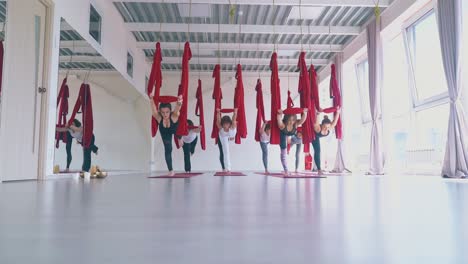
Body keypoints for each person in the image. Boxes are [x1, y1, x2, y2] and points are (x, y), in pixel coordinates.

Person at [150, 95, 183, 176]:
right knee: (168, 149)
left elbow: (177, 109)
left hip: (176, 131)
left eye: (167, 112)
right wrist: (151, 100)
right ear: (160, 112)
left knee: (179, 138)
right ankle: (171, 170)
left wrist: (179, 102)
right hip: (165, 133)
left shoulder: (174, 115)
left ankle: (179, 139)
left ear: (170, 111)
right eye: (163, 112)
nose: (165, 114)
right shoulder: (159, 118)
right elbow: (154, 112)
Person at [277, 109, 308, 175]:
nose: (291, 122)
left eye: (293, 120)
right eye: (290, 120)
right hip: (283, 137)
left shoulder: (295, 124)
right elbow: (279, 120)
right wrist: (279, 114)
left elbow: (302, 121)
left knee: (298, 151)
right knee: (284, 154)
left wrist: (304, 113)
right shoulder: (282, 125)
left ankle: (296, 168)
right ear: (286, 119)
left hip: (293, 137)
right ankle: (286, 170)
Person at [312, 109, 341, 175]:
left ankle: (319, 169)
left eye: (328, 127)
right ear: (321, 125)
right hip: (313, 136)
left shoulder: (329, 127)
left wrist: (338, 112)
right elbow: (316, 122)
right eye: (324, 127)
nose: (326, 129)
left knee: (318, 151)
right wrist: (318, 114)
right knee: (317, 151)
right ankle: (319, 170)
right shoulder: (318, 128)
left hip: (318, 136)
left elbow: (335, 122)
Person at [217, 108, 238, 173]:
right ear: (222, 124)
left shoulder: (232, 126)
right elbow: (218, 120)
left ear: (230, 124)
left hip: (231, 134)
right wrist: (218, 113)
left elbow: (234, 119)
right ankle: (228, 168)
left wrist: (235, 112)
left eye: (227, 124)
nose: (226, 126)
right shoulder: (221, 127)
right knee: (226, 152)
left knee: (234, 122)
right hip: (223, 136)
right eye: (224, 124)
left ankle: (227, 168)